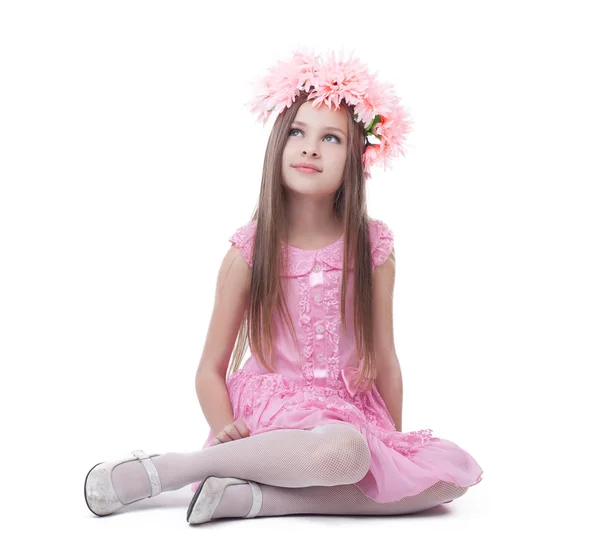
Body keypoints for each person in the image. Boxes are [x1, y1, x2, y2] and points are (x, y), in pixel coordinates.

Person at [84, 47, 484, 525]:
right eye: (298, 132)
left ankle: (251, 498)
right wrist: (223, 427)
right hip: (275, 413)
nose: (311, 148)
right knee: (345, 452)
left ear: (357, 159)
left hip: (349, 416)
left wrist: (391, 452)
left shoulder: (373, 247)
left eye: (331, 138)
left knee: (447, 477)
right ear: (279, 143)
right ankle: (175, 469)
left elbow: (385, 358)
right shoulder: (250, 251)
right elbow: (210, 367)